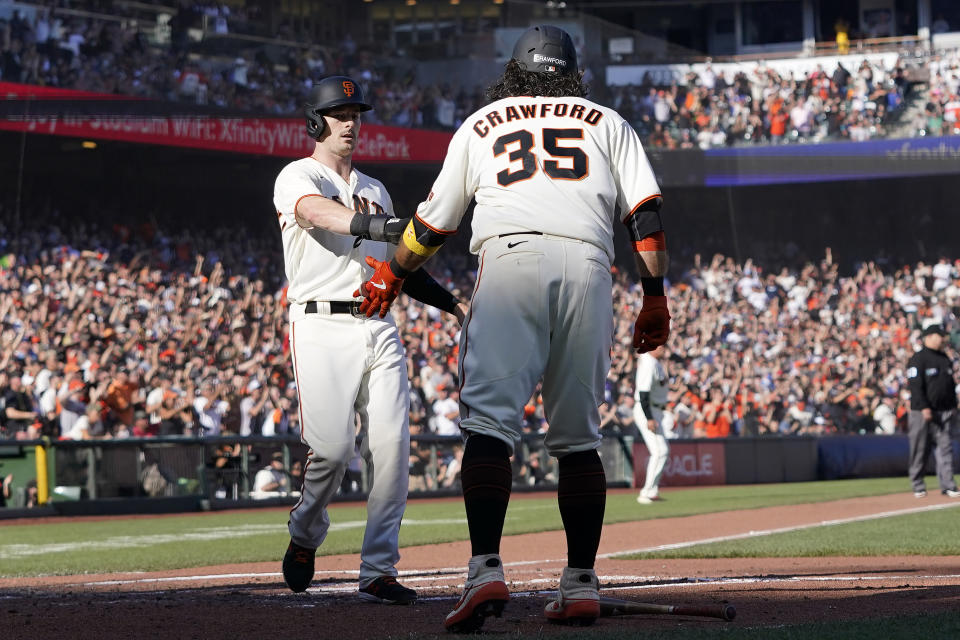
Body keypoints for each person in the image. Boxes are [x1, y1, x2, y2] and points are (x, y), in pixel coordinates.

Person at [354, 26, 671, 630]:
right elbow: (646, 215)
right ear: (572, 72)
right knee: (579, 436)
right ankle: (580, 582)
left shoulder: (482, 122)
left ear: (514, 71)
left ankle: (485, 572)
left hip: (510, 260)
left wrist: (393, 273)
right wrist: (654, 295)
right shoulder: (608, 121)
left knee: (489, 426)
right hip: (588, 267)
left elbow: (432, 225)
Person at [274, 75, 468, 604]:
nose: (350, 123)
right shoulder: (298, 174)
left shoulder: (375, 188)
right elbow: (318, 213)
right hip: (319, 324)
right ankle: (306, 533)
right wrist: (385, 229)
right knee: (333, 451)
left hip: (378, 324)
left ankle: (378, 568)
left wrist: (452, 302)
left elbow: (397, 267)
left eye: (356, 113)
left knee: (391, 450)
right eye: (339, 114)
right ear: (316, 122)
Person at [906, 324, 960, 499]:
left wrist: (953, 405)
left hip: (943, 412)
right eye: (939, 335)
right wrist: (924, 407)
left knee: (945, 449)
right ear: (928, 337)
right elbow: (915, 386)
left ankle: (948, 485)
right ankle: (918, 484)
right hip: (922, 412)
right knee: (919, 449)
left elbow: (949, 385)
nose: (942, 339)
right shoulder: (918, 358)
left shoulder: (944, 358)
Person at [634, 345, 670, 504]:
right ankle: (646, 492)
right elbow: (643, 393)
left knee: (662, 451)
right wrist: (649, 417)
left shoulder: (654, 362)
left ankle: (652, 490)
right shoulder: (648, 362)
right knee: (659, 451)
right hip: (647, 410)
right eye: (660, 345)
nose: (663, 348)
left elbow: (661, 383)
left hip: (655, 410)